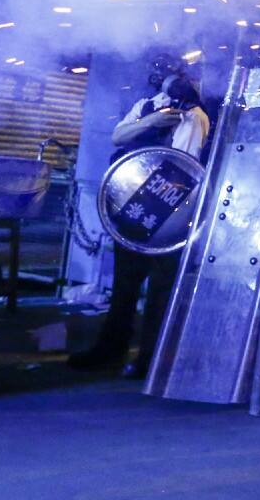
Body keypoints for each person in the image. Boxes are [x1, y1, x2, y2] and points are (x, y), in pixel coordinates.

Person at [68, 54, 209, 378]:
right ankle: (111, 348)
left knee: (160, 293)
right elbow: (119, 136)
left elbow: (183, 165)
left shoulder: (193, 115)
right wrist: (153, 122)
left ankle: (151, 359)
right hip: (133, 208)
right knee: (124, 288)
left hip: (170, 217)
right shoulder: (146, 106)